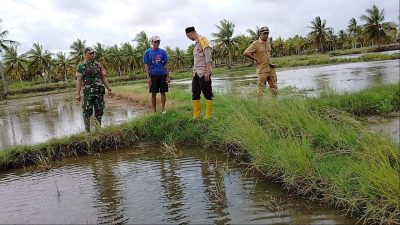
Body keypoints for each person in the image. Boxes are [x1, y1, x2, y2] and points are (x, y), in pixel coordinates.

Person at [75, 47, 112, 132]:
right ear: (85, 55)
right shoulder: (81, 66)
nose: (92, 55)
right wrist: (77, 94)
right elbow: (79, 80)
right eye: (90, 53)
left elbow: (103, 78)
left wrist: (109, 88)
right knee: (87, 111)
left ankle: (98, 129)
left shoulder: (99, 65)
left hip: (99, 93)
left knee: (99, 110)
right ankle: (87, 131)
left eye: (93, 53)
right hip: (88, 94)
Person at [185, 26, 214, 119]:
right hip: (196, 73)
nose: (189, 38)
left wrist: (207, 72)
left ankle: (209, 115)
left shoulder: (203, 40)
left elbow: (208, 57)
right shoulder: (196, 43)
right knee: (195, 92)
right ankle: (196, 115)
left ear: (190, 34)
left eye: (188, 36)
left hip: (203, 72)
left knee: (207, 93)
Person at [244, 26, 277, 97]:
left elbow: (268, 54)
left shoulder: (268, 42)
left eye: (267, 33)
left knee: (274, 86)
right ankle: (260, 104)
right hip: (262, 69)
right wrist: (255, 59)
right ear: (260, 34)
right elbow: (246, 52)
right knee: (261, 88)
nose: (266, 35)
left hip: (271, 68)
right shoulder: (255, 44)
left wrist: (271, 62)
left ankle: (275, 102)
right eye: (264, 33)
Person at [144, 35, 171, 113]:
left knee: (163, 92)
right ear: (152, 42)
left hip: (162, 74)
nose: (157, 43)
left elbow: (166, 64)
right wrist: (148, 77)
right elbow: (146, 65)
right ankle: (154, 111)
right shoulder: (147, 52)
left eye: (158, 41)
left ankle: (163, 109)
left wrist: (168, 76)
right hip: (152, 75)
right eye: (155, 41)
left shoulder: (163, 52)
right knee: (153, 93)